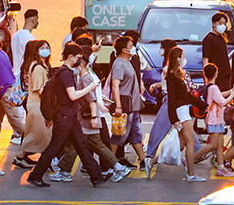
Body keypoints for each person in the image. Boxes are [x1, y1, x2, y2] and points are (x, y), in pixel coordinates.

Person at [26, 44, 109, 187]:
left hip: (69, 116)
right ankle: (36, 175)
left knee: (82, 145)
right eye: (77, 57)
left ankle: (96, 177)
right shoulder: (66, 74)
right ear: (70, 57)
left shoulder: (64, 72)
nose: (79, 61)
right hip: (66, 117)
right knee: (55, 147)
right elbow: (72, 95)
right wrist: (90, 88)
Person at [52, 45, 131, 183]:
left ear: (80, 65)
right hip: (87, 118)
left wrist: (94, 117)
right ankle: (117, 167)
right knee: (95, 145)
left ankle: (64, 171)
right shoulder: (87, 77)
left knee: (74, 145)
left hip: (86, 119)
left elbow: (92, 100)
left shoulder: (85, 79)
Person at [165, 46, 208, 181]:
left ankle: (152, 161)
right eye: (182, 56)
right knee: (191, 142)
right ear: (176, 59)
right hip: (181, 111)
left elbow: (186, 96)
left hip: (182, 109)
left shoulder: (178, 74)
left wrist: (203, 105)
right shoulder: (172, 76)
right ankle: (191, 174)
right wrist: (174, 119)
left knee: (181, 144)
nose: (184, 59)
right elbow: (172, 99)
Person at [109, 36, 148, 175]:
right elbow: (115, 85)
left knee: (136, 134)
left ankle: (143, 161)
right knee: (119, 135)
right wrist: (118, 106)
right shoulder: (119, 64)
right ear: (124, 50)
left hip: (133, 106)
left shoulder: (128, 62)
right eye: (131, 46)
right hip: (126, 106)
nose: (134, 48)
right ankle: (110, 163)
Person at [14, 40, 53, 168]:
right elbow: (39, 89)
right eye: (42, 48)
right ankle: (45, 161)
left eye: (47, 47)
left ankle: (21, 157)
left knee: (38, 135)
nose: (46, 50)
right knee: (38, 135)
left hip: (38, 105)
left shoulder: (42, 66)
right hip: (38, 105)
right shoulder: (37, 68)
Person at [202, 13, 232, 91]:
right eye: (220, 23)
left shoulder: (222, 38)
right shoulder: (209, 39)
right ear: (213, 24)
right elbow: (205, 59)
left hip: (225, 75)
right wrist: (206, 76)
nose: (222, 26)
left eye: (224, 24)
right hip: (216, 76)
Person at [11, 10, 39, 81]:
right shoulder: (31, 39)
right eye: (37, 20)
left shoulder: (15, 36)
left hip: (15, 74)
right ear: (34, 21)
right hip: (24, 75)